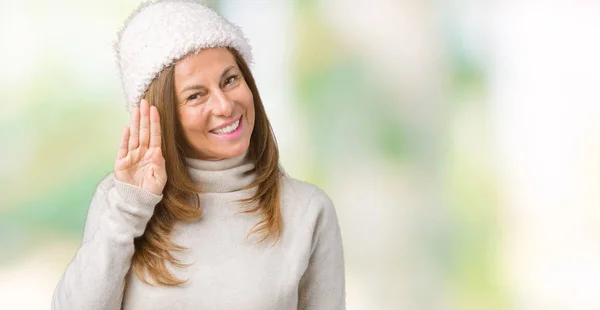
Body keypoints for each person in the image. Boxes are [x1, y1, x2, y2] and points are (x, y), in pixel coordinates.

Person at [51, 0, 345, 309]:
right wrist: (130, 207)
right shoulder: (121, 200)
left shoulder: (308, 210)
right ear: (161, 115)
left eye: (230, 80)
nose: (224, 106)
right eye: (195, 95)